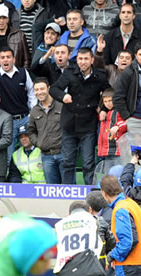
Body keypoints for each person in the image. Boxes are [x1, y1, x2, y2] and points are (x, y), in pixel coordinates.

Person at [50, 47, 110, 184]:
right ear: (76, 60)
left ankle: (89, 192)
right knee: (67, 162)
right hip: (69, 124)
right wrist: (63, 95)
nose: (83, 62)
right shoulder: (69, 72)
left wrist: (104, 109)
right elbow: (54, 89)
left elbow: (109, 93)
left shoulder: (99, 75)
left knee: (88, 163)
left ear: (92, 60)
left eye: (86, 59)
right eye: (80, 59)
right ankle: (68, 191)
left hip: (88, 126)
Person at [0, 38, 37, 160]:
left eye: (8, 57)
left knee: (31, 154)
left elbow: (32, 93)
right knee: (8, 157)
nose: (6, 59)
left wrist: (32, 114)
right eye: (3, 57)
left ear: (14, 59)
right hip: (6, 122)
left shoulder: (23, 73)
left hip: (25, 119)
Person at [27, 77, 63, 184]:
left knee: (68, 187)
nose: (39, 92)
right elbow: (31, 131)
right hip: (46, 156)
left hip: (64, 153)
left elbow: (70, 127)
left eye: (42, 89)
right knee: (51, 190)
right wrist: (39, 143)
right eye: (36, 90)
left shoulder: (61, 105)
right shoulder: (34, 111)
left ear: (48, 88)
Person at [0, 4, 30, 69]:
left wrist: (22, 75)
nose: (1, 21)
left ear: (8, 19)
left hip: (16, 74)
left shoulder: (19, 34)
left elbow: (26, 60)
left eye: (4, 18)